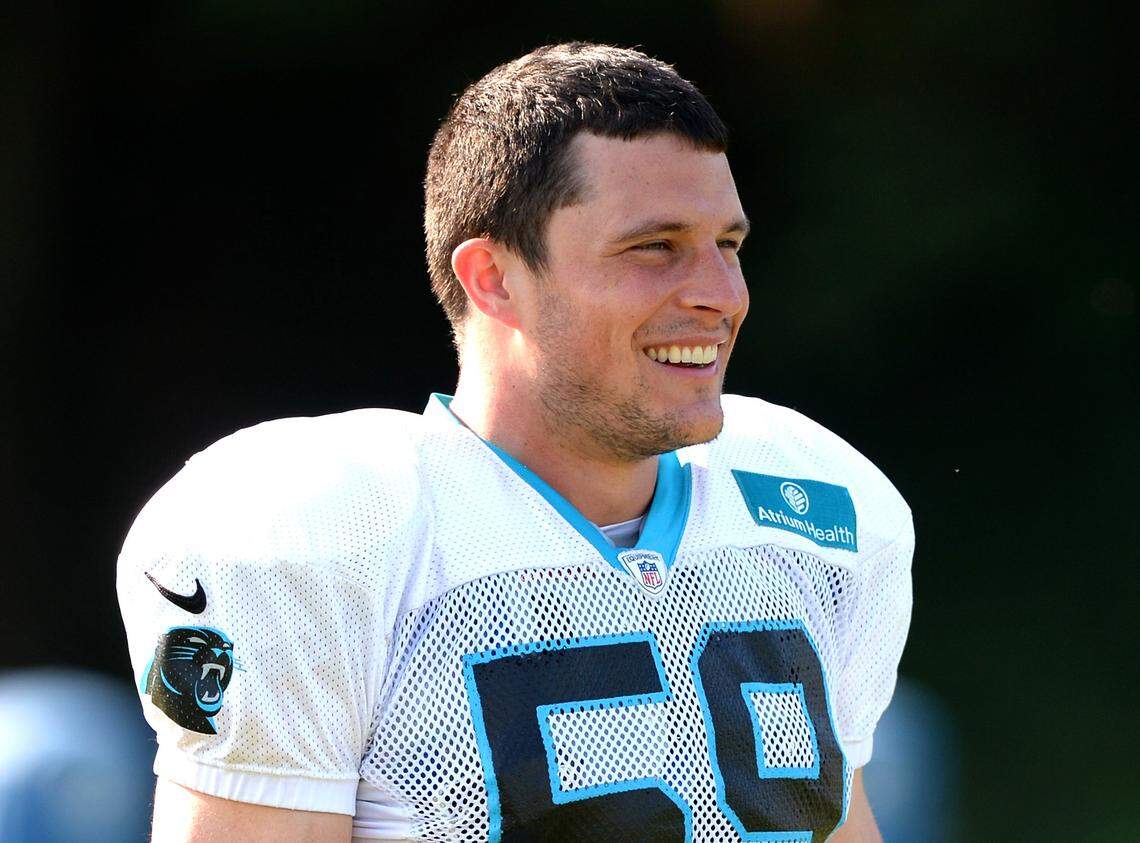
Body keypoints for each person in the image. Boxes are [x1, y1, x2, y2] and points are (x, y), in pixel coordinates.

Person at [118, 42, 913, 842]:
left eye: (728, 245)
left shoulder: (807, 509)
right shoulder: (334, 535)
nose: (721, 293)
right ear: (494, 277)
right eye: (655, 246)